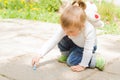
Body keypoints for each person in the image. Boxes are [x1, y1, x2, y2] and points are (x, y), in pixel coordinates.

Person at [32, 0, 105, 72]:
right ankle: (66, 54)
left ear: (81, 27)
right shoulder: (68, 27)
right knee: (61, 37)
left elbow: (88, 49)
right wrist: (39, 55)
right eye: (65, 30)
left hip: (86, 47)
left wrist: (83, 65)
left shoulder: (89, 29)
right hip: (76, 43)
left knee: (71, 61)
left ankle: (95, 60)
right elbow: (53, 40)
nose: (67, 33)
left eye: (71, 31)